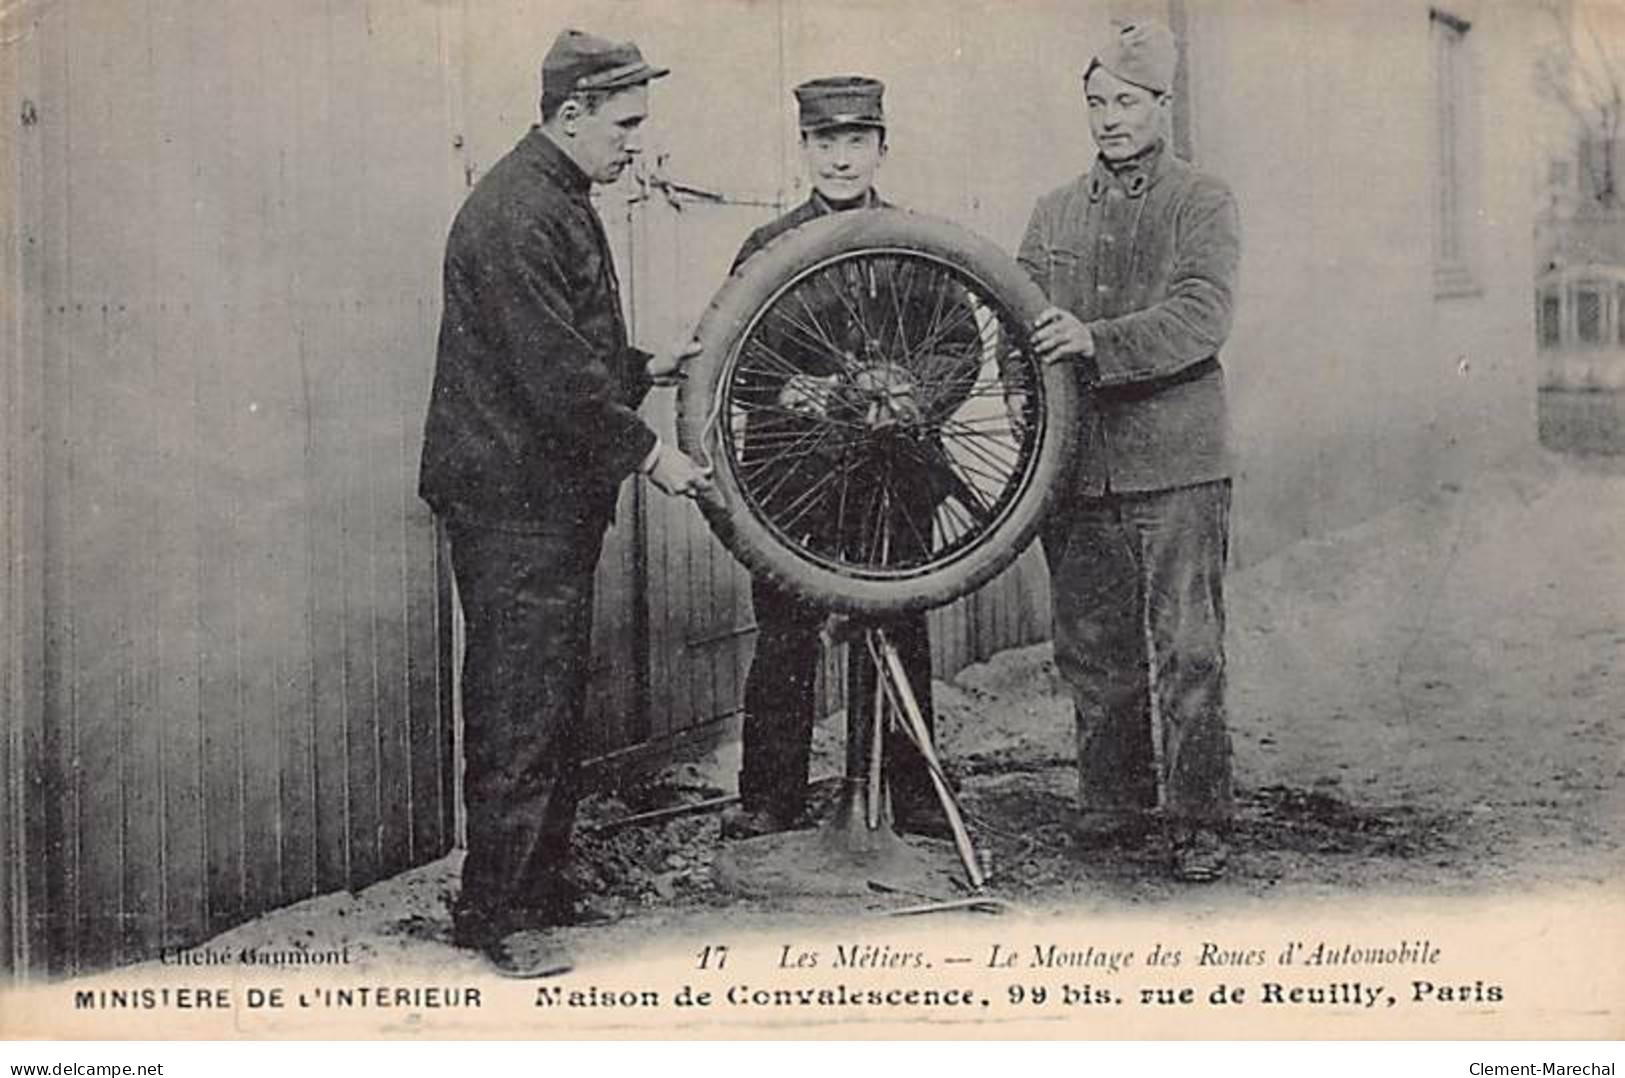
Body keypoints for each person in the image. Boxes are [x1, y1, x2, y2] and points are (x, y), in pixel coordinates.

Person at [418, 28, 712, 977]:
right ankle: (498, 915)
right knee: (518, 706)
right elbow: (550, 376)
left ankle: (536, 886)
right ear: (571, 113)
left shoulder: (554, 195)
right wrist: (650, 453)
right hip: (513, 506)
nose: (636, 142)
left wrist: (639, 367)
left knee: (545, 699)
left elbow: (566, 348)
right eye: (624, 123)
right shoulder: (514, 212)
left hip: (544, 500)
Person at [720, 77, 976, 842]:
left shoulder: (916, 242)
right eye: (825, 142)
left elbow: (958, 343)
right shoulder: (765, 248)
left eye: (856, 141)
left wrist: (914, 392)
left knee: (897, 620)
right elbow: (731, 354)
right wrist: (789, 388)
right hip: (792, 479)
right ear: (803, 149)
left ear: (881, 148)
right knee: (786, 631)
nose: (840, 158)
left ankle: (911, 789)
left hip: (891, 474)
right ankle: (770, 795)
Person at [1016, 21, 1242, 882]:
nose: (1108, 119)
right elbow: (1016, 317)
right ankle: (1113, 803)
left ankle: (1197, 819)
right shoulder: (1053, 211)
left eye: (1125, 102)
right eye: (1095, 103)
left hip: (1176, 463)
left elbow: (1200, 315)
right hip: (1076, 467)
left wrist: (1092, 340)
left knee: (1186, 648)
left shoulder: (1202, 201)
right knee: (1091, 647)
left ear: (1161, 106)